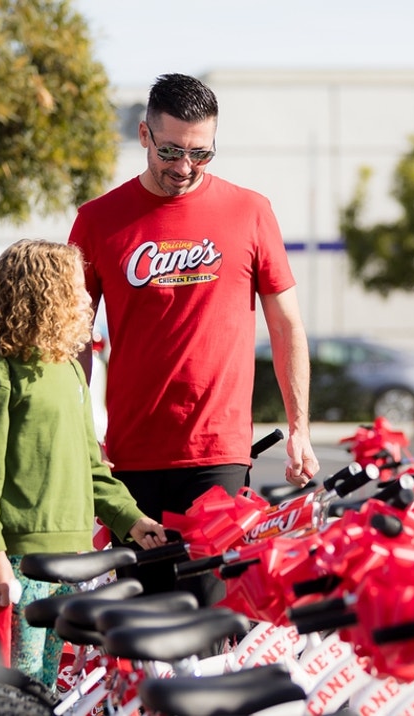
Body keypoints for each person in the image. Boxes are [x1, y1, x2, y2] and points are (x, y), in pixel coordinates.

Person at [68, 73, 319, 603]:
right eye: (171, 151)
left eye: (201, 154)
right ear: (143, 135)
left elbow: (286, 325)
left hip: (217, 452)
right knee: (139, 626)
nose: (184, 167)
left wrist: (300, 428)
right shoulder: (97, 221)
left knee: (207, 615)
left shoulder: (250, 211)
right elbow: (74, 338)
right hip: (130, 456)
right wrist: (82, 435)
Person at [0, 239, 167, 688]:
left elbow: (92, 463)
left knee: (48, 683)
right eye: (77, 286)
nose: (88, 297)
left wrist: (131, 519)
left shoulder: (71, 369)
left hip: (75, 557)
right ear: (44, 293)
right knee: (22, 683)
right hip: (23, 556)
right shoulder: (0, 372)